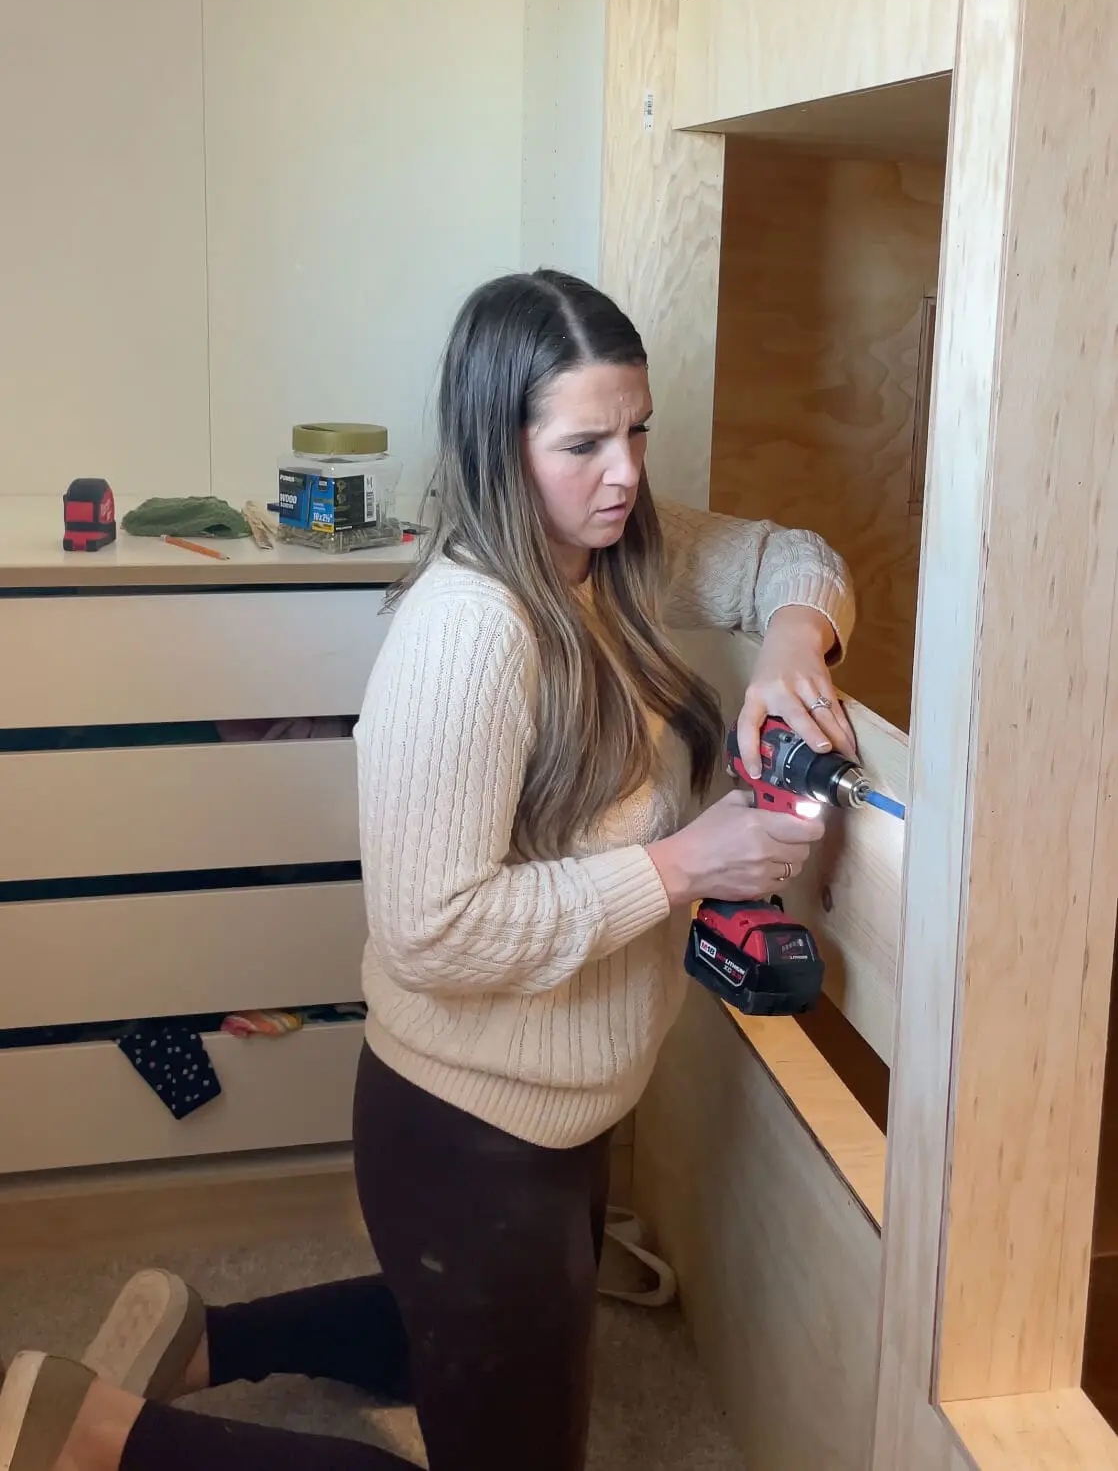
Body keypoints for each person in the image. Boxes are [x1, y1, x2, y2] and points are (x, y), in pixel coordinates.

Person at [1, 270, 855, 1471]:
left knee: (471, 1340)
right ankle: (97, 1435)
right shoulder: (469, 635)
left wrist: (786, 644)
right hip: (465, 1132)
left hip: (561, 1117)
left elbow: (793, 557)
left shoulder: (611, 556)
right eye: (583, 442)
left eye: (637, 430)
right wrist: (679, 864)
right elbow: (429, 933)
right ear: (498, 448)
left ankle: (204, 1340)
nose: (625, 471)